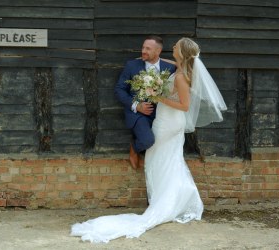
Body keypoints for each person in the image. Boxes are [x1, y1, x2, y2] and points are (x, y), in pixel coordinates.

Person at [71, 37, 227, 243]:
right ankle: (175, 200)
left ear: (181, 52)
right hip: (166, 121)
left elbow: (185, 106)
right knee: (169, 161)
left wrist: (157, 97)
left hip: (169, 123)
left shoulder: (179, 76)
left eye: (176, 46)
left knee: (158, 160)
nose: (173, 48)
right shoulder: (177, 68)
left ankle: (162, 204)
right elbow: (170, 66)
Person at [114, 35, 175, 169]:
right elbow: (119, 89)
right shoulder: (132, 65)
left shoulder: (170, 68)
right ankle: (134, 148)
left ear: (158, 51)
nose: (143, 51)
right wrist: (136, 105)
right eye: (143, 47)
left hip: (161, 114)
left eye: (148, 48)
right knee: (147, 140)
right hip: (138, 113)